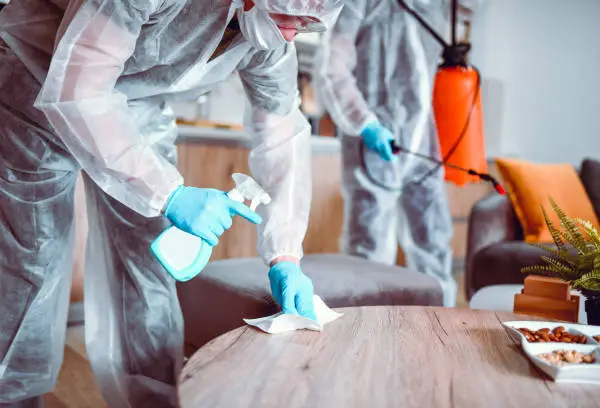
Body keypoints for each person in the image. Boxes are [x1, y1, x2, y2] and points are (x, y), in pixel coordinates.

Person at [0, 0, 343, 406]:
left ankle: (154, 399)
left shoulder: (266, 41)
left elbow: (282, 137)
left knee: (151, 264)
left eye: (309, 25)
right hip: (39, 77)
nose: (294, 33)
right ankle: (13, 394)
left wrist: (285, 255)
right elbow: (78, 90)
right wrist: (170, 193)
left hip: (137, 107)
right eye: (292, 17)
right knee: (32, 257)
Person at [313, 0, 478, 308]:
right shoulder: (363, 4)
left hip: (423, 141)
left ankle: (438, 328)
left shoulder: (441, 6)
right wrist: (364, 122)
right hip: (375, 140)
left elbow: (469, 13)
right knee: (368, 251)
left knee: (433, 244)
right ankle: (363, 330)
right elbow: (331, 68)